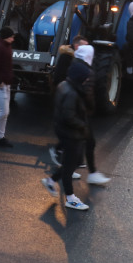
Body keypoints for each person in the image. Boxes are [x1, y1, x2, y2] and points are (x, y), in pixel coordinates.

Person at [49, 36, 111, 186]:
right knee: (82, 145)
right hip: (77, 112)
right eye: (83, 46)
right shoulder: (75, 65)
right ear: (76, 46)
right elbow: (64, 83)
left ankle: (59, 175)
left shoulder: (78, 64)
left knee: (80, 146)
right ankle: (59, 181)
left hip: (78, 112)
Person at [41, 44, 93, 211]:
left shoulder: (65, 85)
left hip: (68, 132)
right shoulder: (71, 92)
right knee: (70, 166)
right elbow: (69, 116)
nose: (86, 81)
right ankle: (70, 198)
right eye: (85, 78)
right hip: (71, 133)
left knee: (72, 163)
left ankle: (51, 180)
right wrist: (83, 126)